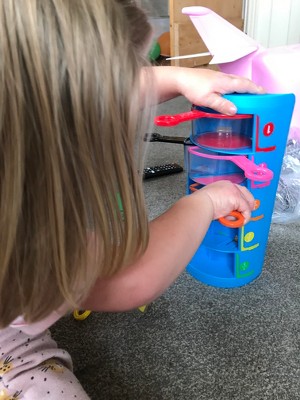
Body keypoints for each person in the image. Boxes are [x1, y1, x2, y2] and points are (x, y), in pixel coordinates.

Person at [0, 0, 264, 398]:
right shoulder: (25, 239)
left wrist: (178, 77)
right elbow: (128, 278)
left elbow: (86, 91)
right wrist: (204, 204)